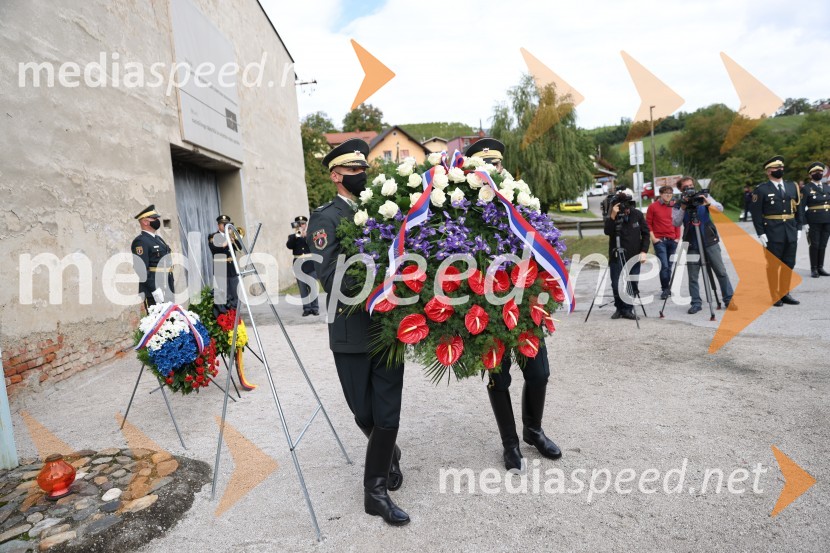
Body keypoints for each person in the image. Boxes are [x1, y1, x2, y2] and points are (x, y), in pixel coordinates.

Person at [308, 138, 408, 526]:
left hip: (388, 328)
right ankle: (388, 452)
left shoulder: (381, 211)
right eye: (353, 170)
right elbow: (329, 275)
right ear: (336, 175)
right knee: (363, 410)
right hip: (352, 331)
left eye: (364, 169)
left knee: (387, 409)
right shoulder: (326, 219)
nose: (362, 175)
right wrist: (379, 282)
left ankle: (375, 491)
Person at [465, 138, 562, 472]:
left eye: (497, 164)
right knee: (499, 377)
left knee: (539, 372)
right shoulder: (463, 207)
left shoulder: (519, 201)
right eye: (486, 165)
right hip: (486, 302)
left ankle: (533, 430)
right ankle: (510, 443)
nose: (494, 170)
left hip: (523, 299)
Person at [672, 177, 735, 313]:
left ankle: (729, 299)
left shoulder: (704, 196)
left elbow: (720, 209)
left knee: (721, 271)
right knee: (693, 275)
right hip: (691, 242)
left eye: (690, 185)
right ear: (680, 189)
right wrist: (683, 206)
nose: (689, 189)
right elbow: (676, 222)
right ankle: (696, 302)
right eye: (685, 187)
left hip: (709, 240)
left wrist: (707, 203)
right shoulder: (679, 203)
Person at [749, 156, 803, 306]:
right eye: (775, 168)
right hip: (772, 231)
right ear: (768, 171)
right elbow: (756, 214)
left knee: (789, 263)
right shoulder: (761, 190)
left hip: (790, 230)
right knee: (774, 265)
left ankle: (785, 293)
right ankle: (774, 295)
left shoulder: (792, 186)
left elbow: (798, 209)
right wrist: (761, 233)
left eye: (781, 168)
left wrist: (799, 227)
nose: (779, 170)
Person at [604, 189, 649, 320]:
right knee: (616, 283)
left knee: (632, 283)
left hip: (635, 255)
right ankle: (619, 308)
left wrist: (644, 251)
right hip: (616, 255)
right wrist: (612, 215)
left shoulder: (638, 215)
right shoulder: (612, 215)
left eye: (628, 206)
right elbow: (607, 232)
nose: (626, 209)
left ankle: (628, 309)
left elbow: (646, 234)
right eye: (623, 206)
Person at [131, 204, 174, 310]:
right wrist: (154, 289)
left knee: (170, 320)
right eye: (154, 218)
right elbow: (140, 268)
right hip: (154, 289)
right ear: (145, 222)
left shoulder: (158, 239)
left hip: (167, 284)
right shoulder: (141, 241)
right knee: (157, 321)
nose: (157, 220)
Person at [646, 185, 681, 300]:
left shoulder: (675, 206)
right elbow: (648, 224)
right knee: (664, 266)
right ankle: (665, 289)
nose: (668, 195)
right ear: (660, 194)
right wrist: (654, 238)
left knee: (670, 266)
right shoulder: (653, 207)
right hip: (660, 240)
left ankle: (667, 288)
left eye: (670, 193)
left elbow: (677, 222)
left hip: (672, 240)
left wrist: (677, 238)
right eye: (666, 193)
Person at [285, 215, 319, 316]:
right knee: (303, 289)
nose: (301, 226)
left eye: (303, 224)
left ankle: (315, 308)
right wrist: (297, 235)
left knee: (313, 287)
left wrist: (307, 235)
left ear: (306, 224)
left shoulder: (311, 235)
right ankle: (307, 309)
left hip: (310, 264)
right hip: (298, 265)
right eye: (299, 224)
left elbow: (316, 245)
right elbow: (289, 246)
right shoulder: (292, 237)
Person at [802, 162, 830, 278]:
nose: (818, 174)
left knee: (823, 244)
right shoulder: (806, 188)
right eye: (815, 172)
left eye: (819, 172)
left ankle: (820, 267)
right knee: (815, 244)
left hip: (827, 219)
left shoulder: (827, 187)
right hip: (813, 220)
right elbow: (801, 207)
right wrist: (804, 222)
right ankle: (813, 268)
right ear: (810, 175)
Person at [208, 214, 241, 308]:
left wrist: (233, 238)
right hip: (220, 267)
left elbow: (239, 248)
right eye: (223, 224)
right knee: (222, 295)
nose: (225, 226)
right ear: (219, 225)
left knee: (234, 293)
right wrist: (227, 240)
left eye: (227, 224)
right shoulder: (213, 236)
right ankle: (223, 316)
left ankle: (235, 314)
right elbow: (215, 249)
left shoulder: (231, 236)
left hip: (232, 268)